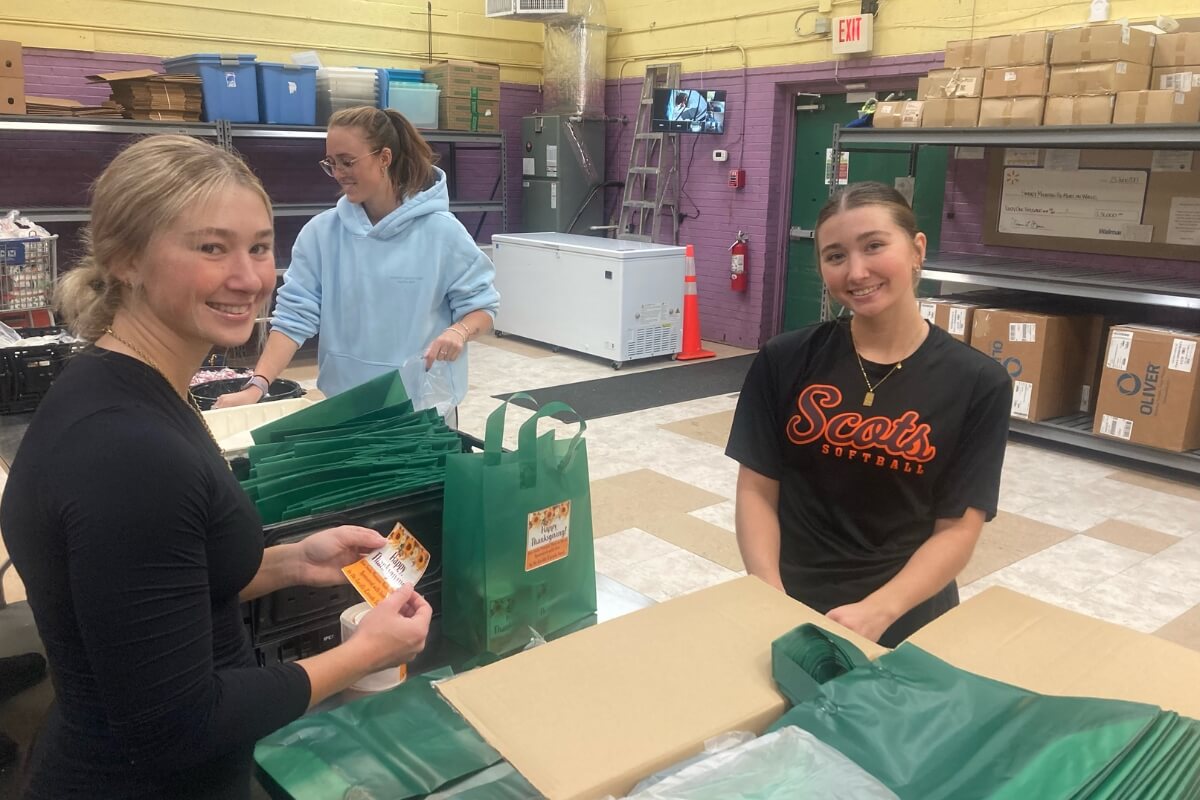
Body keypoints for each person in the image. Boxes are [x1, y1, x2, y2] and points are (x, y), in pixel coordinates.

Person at [0, 135, 432, 799]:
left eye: (259, 246)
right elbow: (177, 724)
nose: (250, 277)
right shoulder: (128, 455)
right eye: (211, 248)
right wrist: (365, 654)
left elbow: (139, 593)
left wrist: (289, 562)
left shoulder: (121, 382)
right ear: (125, 259)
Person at [726, 182, 1011, 648]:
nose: (856, 272)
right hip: (786, 600)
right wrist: (767, 592)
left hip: (906, 614)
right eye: (835, 256)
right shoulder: (785, 359)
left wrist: (880, 610)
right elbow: (757, 487)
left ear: (917, 249)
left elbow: (959, 526)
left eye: (875, 246)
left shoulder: (978, 382)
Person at [215, 106, 499, 411]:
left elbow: (483, 307)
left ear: (384, 158)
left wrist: (459, 331)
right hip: (346, 403)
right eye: (331, 163)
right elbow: (294, 318)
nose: (338, 173)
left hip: (425, 407)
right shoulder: (321, 234)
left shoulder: (442, 233)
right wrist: (258, 384)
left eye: (348, 162)